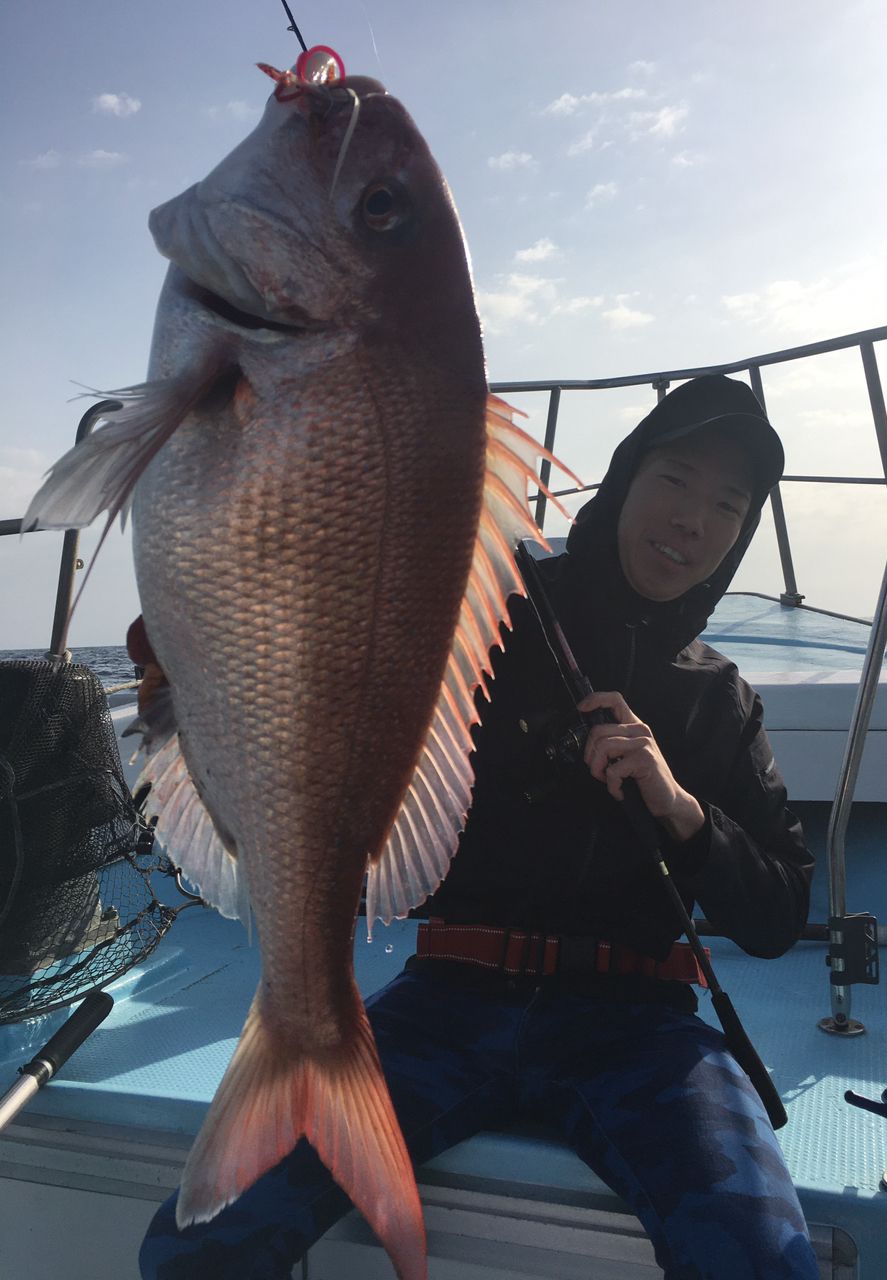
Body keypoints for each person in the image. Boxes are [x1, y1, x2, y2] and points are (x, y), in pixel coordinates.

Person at [141, 374, 819, 1280]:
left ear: (741, 534)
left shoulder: (722, 700)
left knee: (763, 1261)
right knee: (198, 1246)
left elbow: (779, 913)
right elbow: (349, 609)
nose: (694, 518)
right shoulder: (484, 608)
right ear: (624, 479)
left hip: (639, 1030)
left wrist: (682, 809)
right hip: (449, 998)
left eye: (729, 505)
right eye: (676, 479)